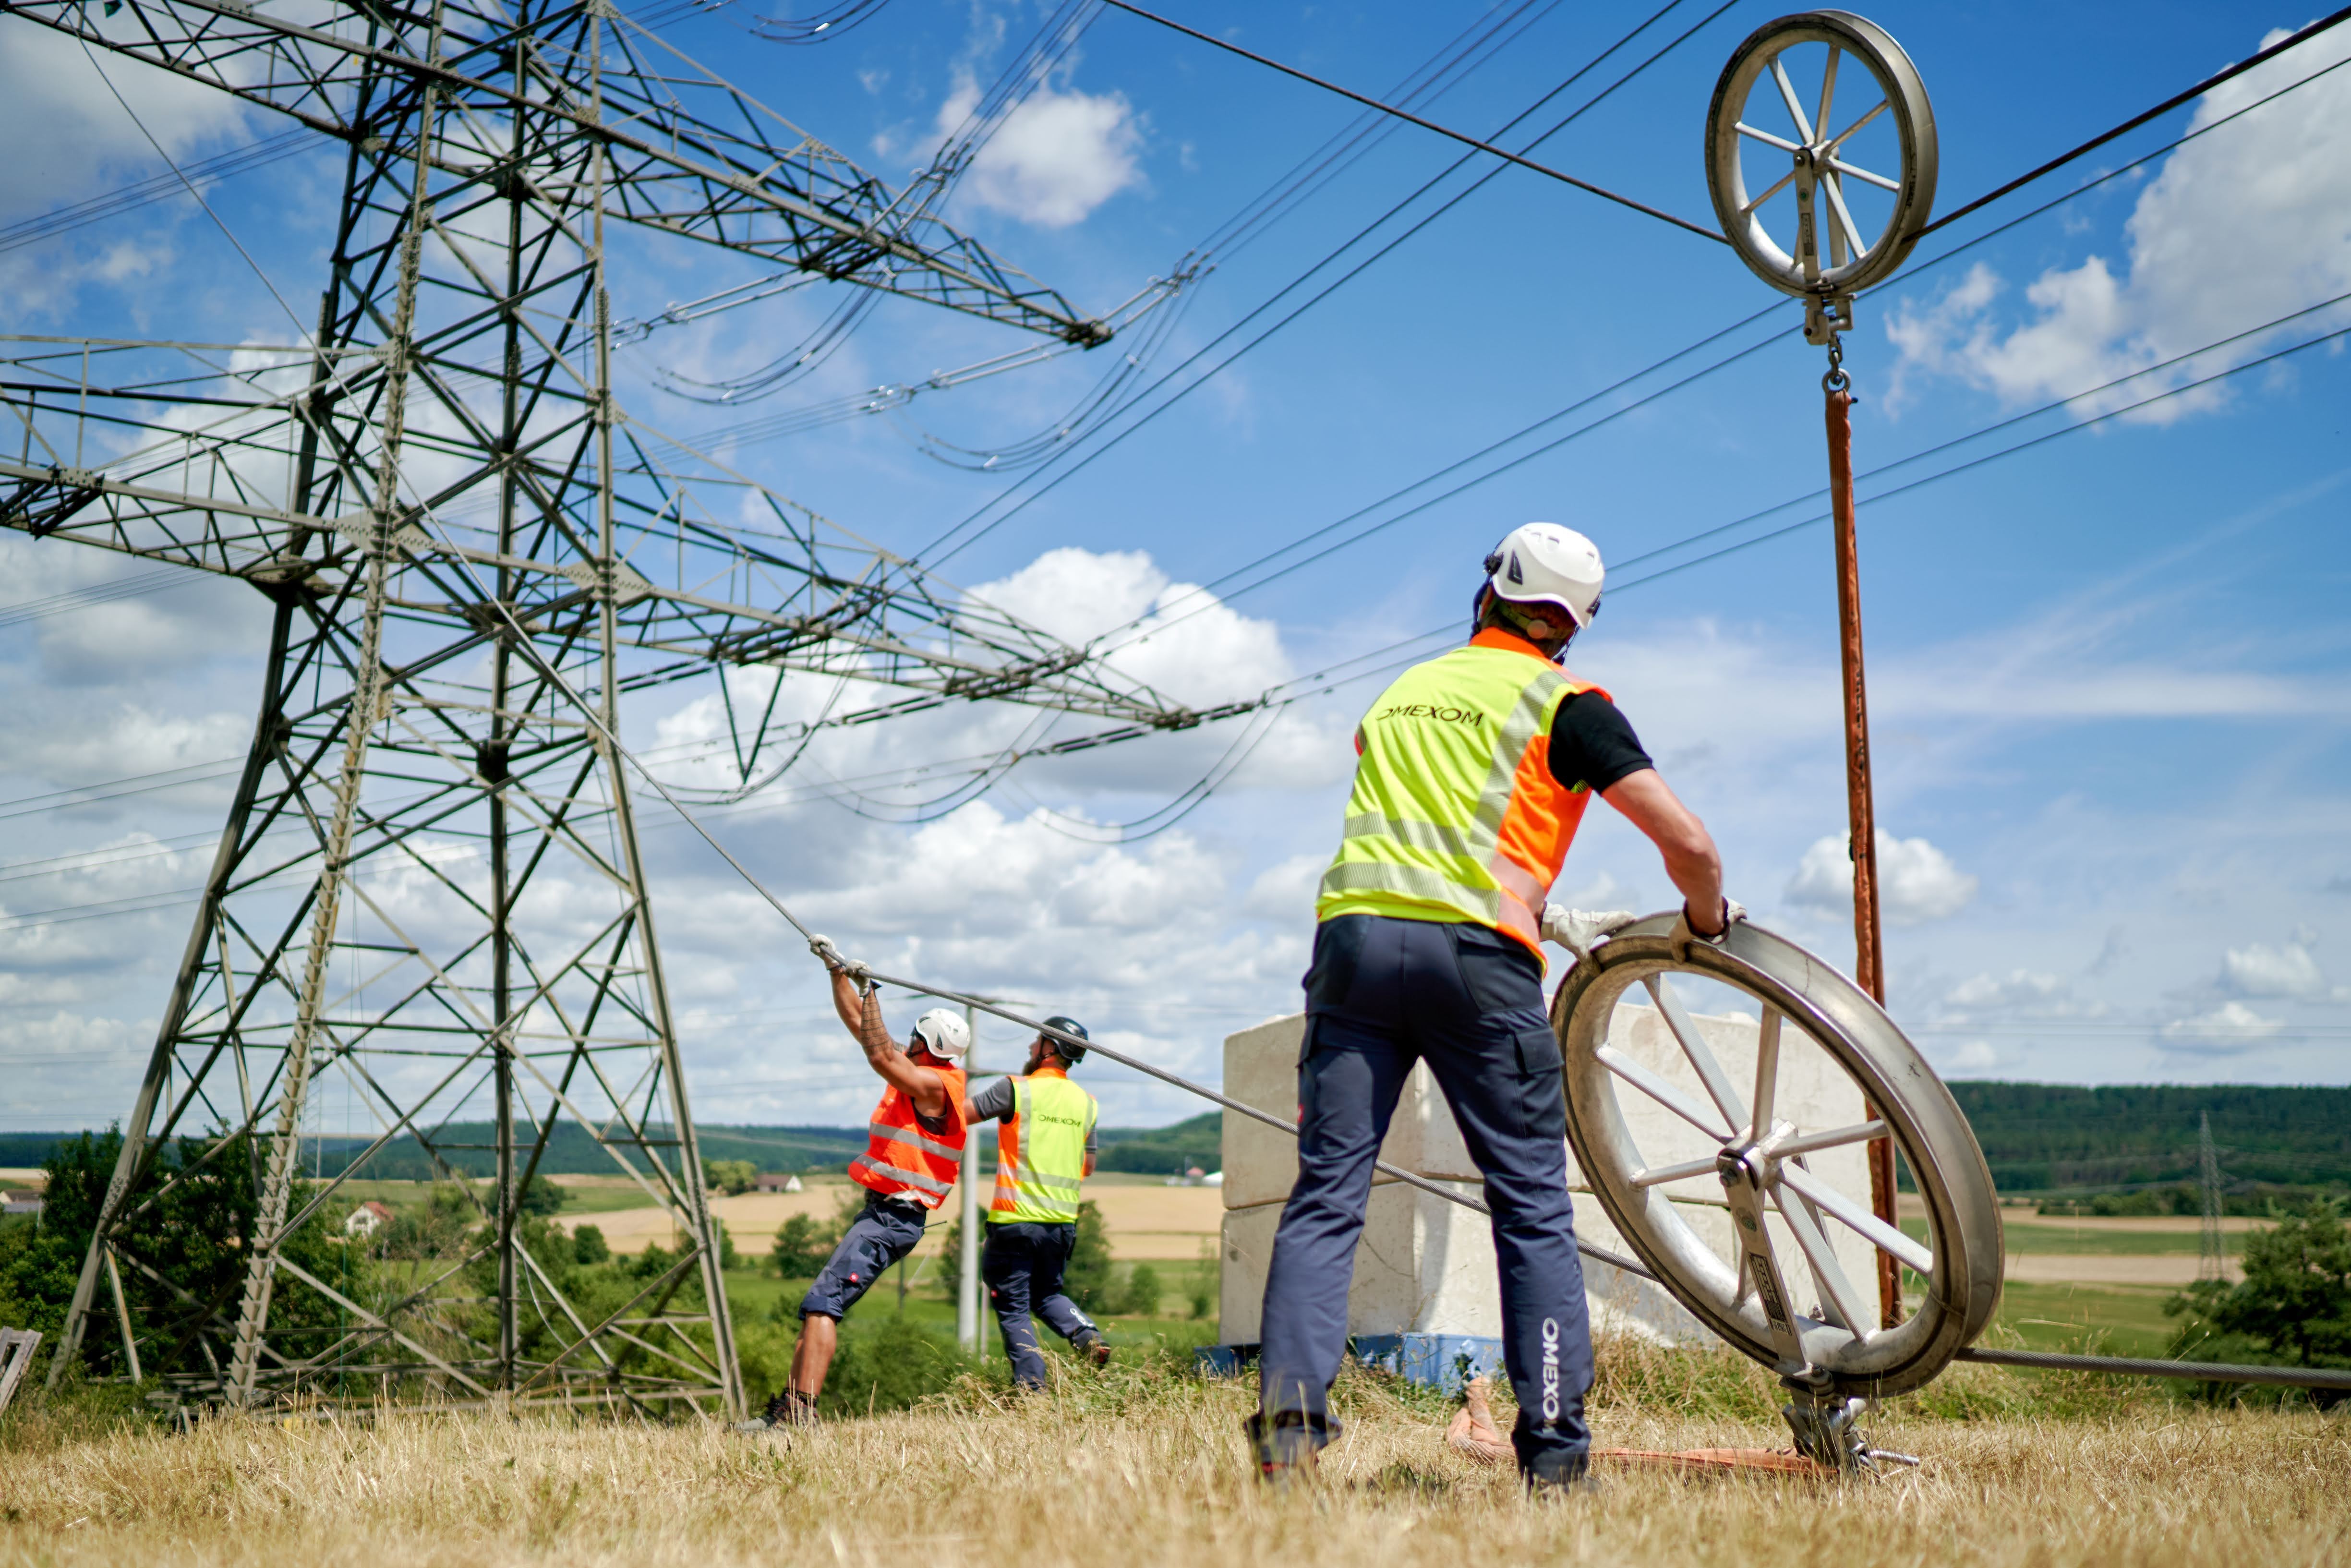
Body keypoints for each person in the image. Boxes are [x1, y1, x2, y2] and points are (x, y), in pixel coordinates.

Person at [1250, 522, 1736, 1492]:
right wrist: (1706, 918)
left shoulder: (1404, 691)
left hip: (1351, 950)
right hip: (1478, 967)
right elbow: (1688, 843)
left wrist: (1538, 902)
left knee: (1325, 1198)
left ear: (1490, 591)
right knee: (1529, 1205)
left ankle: (1289, 1444)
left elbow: (1428, 826)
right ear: (1572, 625)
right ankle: (1554, 1455)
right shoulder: (1568, 704)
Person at [745, 938, 971, 1428]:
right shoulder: (915, 1072)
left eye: (913, 1036)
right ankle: (788, 1410)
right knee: (816, 1304)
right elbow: (863, 1033)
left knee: (823, 1304)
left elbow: (879, 1055)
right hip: (883, 1213)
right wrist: (837, 975)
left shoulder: (937, 1087)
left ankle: (800, 1413)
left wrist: (872, 992)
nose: (903, 1041)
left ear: (926, 1043)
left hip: (895, 1216)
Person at [967, 1016, 1109, 1387]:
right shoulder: (1087, 1103)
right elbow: (1087, 1166)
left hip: (1015, 1220)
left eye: (1037, 1041)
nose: (1031, 1047)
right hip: (1061, 1224)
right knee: (1047, 1294)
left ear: (1049, 1048)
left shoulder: (1016, 1089)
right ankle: (1086, 1336)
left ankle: (1032, 1389)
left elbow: (960, 1116)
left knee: (1013, 1306)